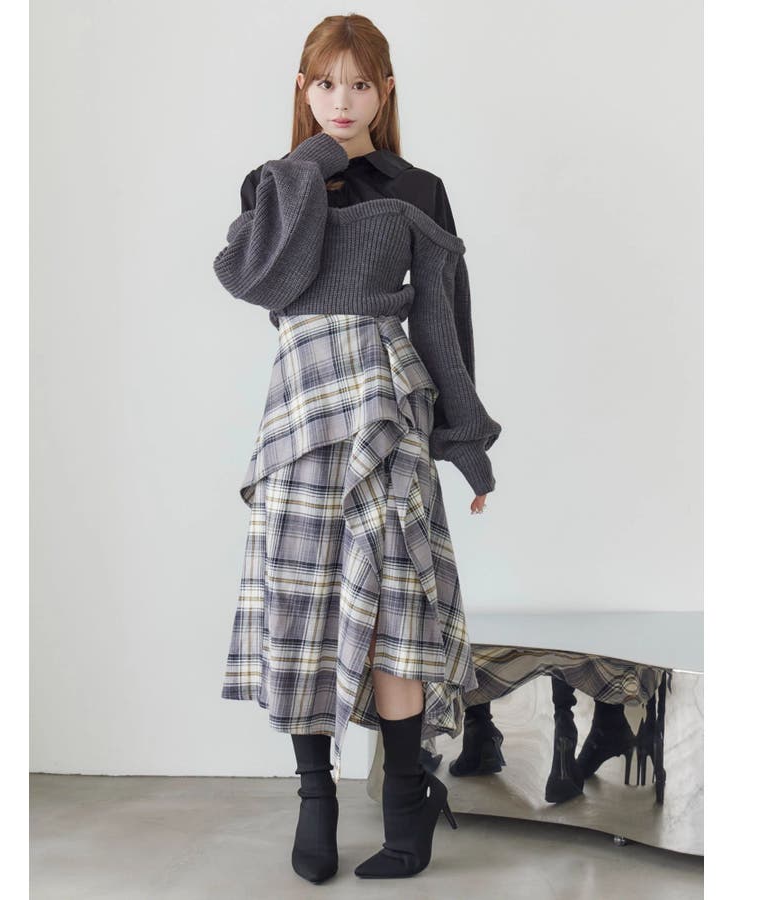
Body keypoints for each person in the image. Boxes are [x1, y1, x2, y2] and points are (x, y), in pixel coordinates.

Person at [212, 14, 502, 883]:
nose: (343, 100)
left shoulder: (419, 190)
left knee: (395, 609)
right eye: (325, 83)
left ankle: (407, 799)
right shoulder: (278, 183)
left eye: (360, 84)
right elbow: (257, 281)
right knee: (302, 607)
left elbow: (443, 319)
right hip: (300, 414)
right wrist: (311, 162)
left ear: (386, 92)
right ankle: (316, 799)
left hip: (386, 405)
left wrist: (467, 437)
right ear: (303, 90)